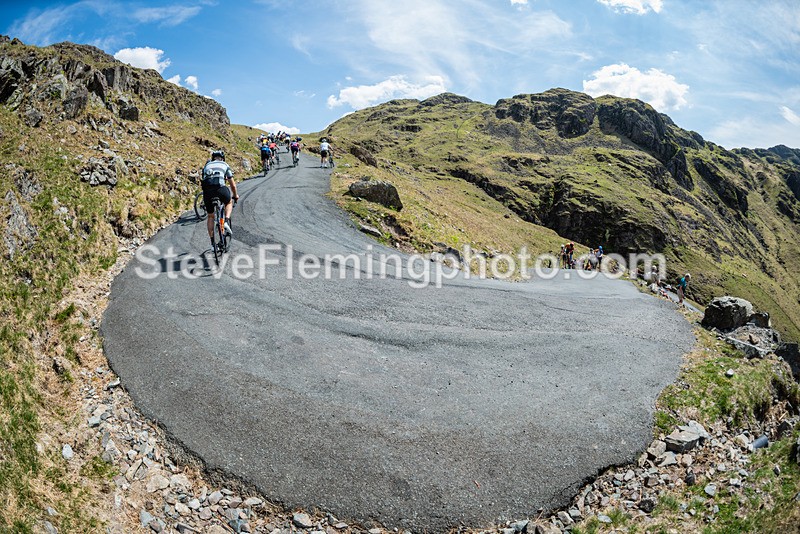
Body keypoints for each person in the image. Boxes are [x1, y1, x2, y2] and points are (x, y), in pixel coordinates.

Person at [202, 150, 238, 247]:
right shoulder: (225, 165)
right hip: (220, 189)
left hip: (207, 192)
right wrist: (235, 195)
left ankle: (213, 243)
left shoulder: (207, 165)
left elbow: (203, 179)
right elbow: (233, 185)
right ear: (222, 158)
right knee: (229, 202)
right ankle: (225, 221)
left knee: (210, 216)